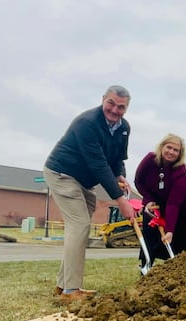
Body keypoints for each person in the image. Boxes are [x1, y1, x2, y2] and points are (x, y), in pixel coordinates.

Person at [44, 85, 136, 303]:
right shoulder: (87, 123)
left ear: (127, 108)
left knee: (81, 225)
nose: (114, 110)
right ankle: (70, 290)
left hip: (83, 180)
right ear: (103, 99)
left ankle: (62, 285)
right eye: (111, 103)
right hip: (62, 173)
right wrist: (121, 201)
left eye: (121, 107)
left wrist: (121, 176)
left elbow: (116, 159)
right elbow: (98, 164)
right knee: (80, 224)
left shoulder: (124, 128)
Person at [135, 133, 186, 265]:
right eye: (169, 147)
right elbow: (138, 182)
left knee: (178, 245)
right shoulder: (150, 160)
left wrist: (169, 230)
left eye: (176, 150)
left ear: (180, 154)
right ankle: (146, 265)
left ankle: (180, 270)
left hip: (180, 210)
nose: (171, 152)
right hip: (154, 205)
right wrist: (149, 199)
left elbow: (173, 203)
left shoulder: (181, 172)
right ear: (162, 147)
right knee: (150, 236)